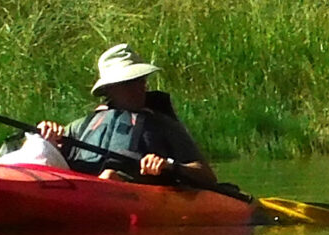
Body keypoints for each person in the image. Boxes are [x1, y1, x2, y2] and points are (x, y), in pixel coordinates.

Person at [38, 45, 218, 184]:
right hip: (87, 188)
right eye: (127, 83)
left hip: (138, 191)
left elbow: (206, 175)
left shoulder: (164, 125)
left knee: (110, 176)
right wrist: (47, 138)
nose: (138, 88)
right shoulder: (80, 127)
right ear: (109, 90)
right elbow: (42, 157)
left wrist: (169, 166)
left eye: (140, 80)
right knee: (38, 144)